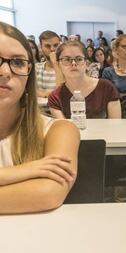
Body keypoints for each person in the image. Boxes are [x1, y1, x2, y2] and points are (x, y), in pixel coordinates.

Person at [0, 21, 79, 213]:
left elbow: (48, 194)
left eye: (18, 62)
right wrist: (25, 170)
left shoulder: (59, 130)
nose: (4, 72)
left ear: (29, 74)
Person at [48, 41, 121, 119]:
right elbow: (64, 128)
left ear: (86, 63)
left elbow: (115, 126)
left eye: (79, 59)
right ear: (59, 64)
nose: (73, 63)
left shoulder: (107, 88)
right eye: (67, 59)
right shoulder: (55, 97)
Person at [36, 30, 62, 98]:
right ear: (41, 47)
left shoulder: (66, 68)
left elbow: (61, 92)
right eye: (47, 46)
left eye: (56, 45)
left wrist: (55, 63)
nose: (52, 49)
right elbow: (30, 91)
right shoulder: (36, 68)